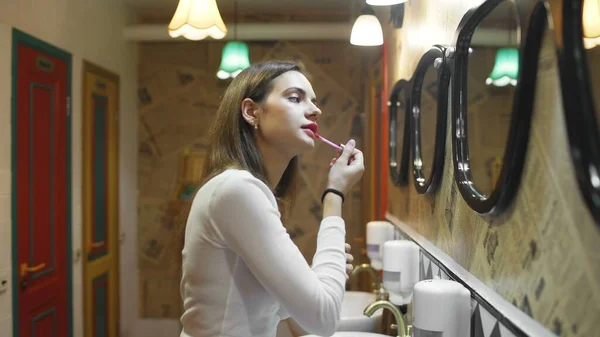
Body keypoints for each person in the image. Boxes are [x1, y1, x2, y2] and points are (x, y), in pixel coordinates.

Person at [179, 60, 365, 337]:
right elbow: (323, 319)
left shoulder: (244, 189)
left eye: (313, 101)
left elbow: (278, 310)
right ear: (251, 111)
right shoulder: (237, 189)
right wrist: (334, 193)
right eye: (295, 97)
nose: (316, 110)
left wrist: (326, 275)